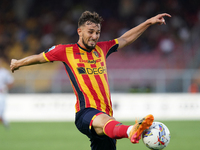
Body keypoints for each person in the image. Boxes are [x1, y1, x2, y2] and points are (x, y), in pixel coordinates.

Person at [10, 11, 171, 150]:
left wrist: (148, 22)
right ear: (79, 31)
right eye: (90, 32)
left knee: (108, 126)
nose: (94, 36)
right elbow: (39, 58)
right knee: (108, 122)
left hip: (107, 120)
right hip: (85, 113)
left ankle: (128, 130)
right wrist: (18, 63)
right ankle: (131, 131)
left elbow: (125, 39)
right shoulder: (65, 51)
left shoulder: (102, 48)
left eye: (97, 32)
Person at [0, 58, 14, 128]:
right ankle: (6, 124)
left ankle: (6, 124)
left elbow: (11, 82)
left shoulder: (4, 72)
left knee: (0, 113)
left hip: (1, 95)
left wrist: (5, 88)